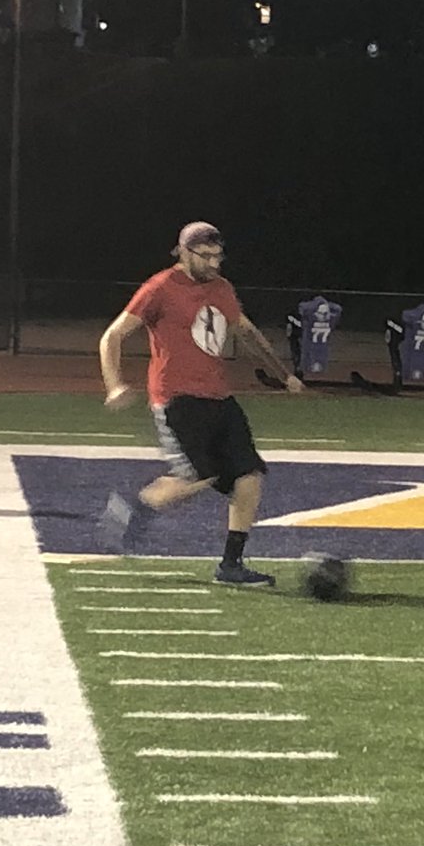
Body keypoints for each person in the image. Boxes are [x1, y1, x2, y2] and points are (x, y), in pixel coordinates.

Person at [99, 220, 304, 587]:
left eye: (217, 256)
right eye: (205, 256)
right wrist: (114, 384)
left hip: (219, 397)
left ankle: (231, 565)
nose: (213, 263)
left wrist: (283, 373)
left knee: (249, 476)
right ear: (184, 252)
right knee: (197, 475)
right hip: (177, 398)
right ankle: (134, 509)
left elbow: (248, 332)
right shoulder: (160, 287)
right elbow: (113, 335)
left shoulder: (222, 288)